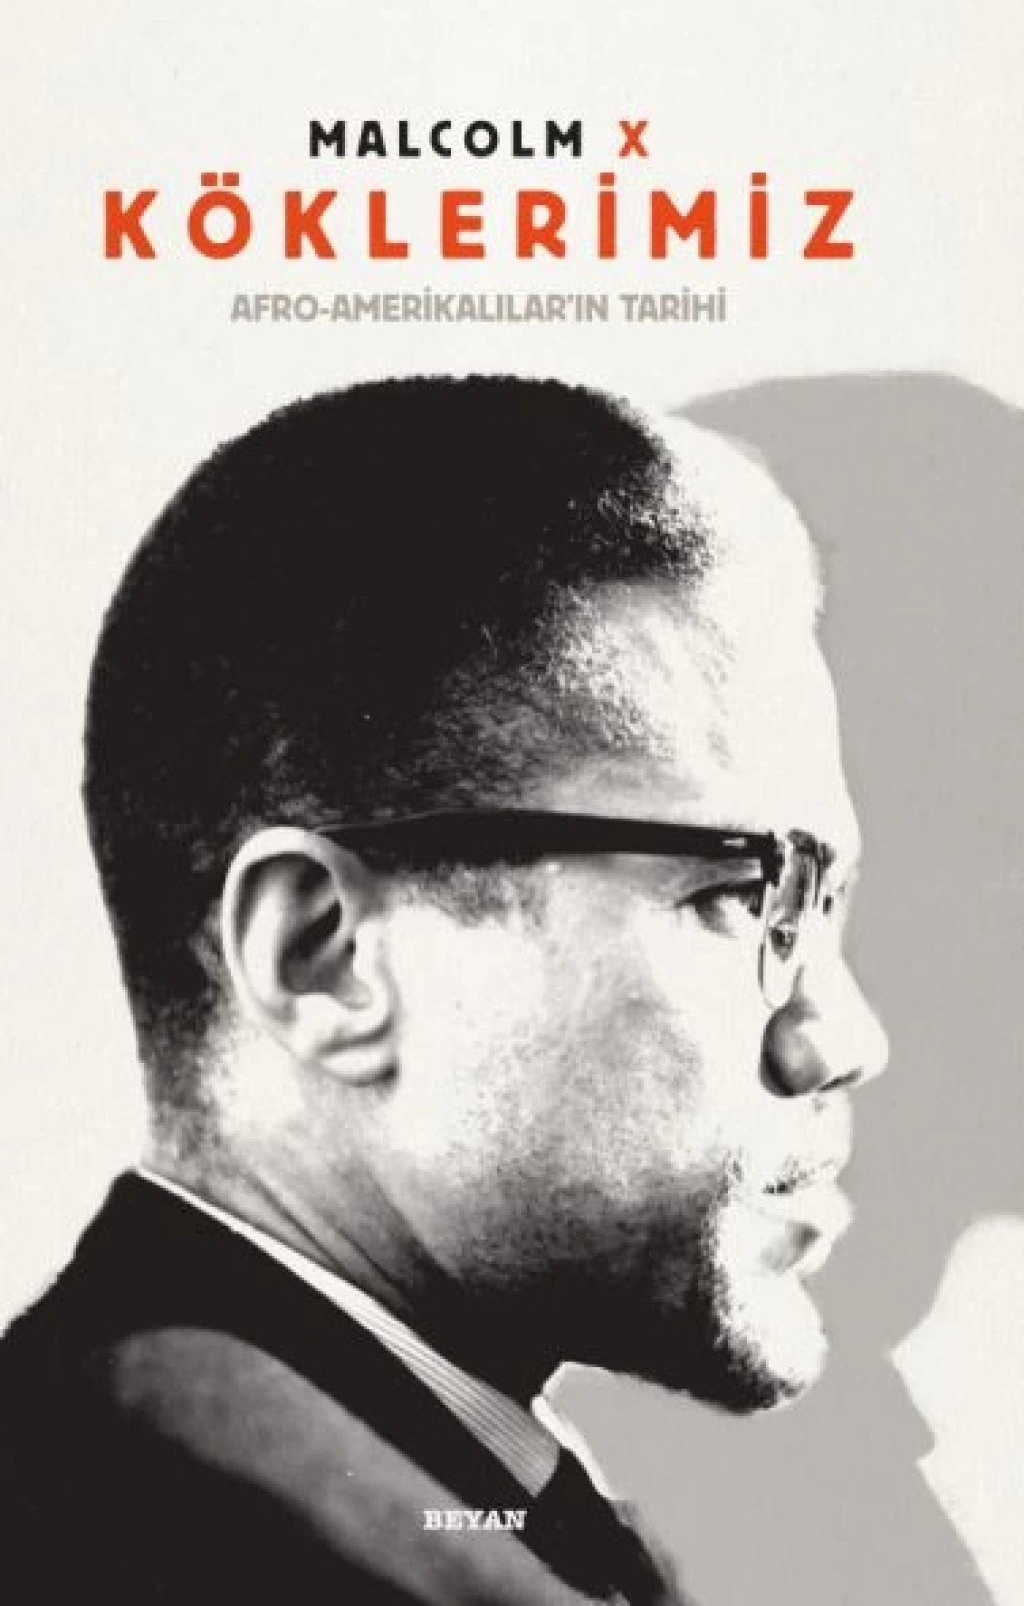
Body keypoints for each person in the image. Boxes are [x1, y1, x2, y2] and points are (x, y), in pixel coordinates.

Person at [0, 376, 887, 1604]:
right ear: (323, 956)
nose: (838, 1040)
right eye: (744, 895)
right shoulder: (209, 1536)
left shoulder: (371, 1481)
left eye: (822, 906)